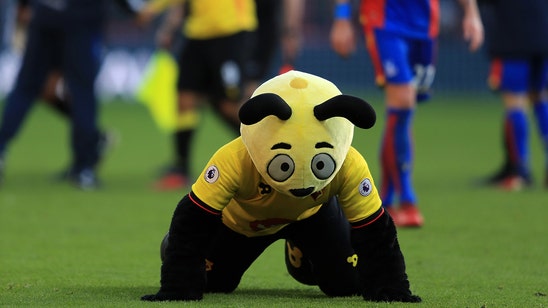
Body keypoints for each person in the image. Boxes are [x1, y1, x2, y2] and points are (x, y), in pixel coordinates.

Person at [141, 70, 421, 303]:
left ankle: (299, 249)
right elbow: (194, 216)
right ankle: (172, 246)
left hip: (312, 216)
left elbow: (374, 226)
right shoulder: (235, 158)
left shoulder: (349, 162)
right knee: (214, 283)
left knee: (345, 284)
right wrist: (179, 283)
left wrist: (391, 288)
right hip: (243, 225)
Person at [330, 0, 484, 227]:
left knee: (404, 113)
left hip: (425, 26)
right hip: (384, 20)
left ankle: (384, 202)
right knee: (403, 103)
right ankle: (408, 201)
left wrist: (472, 13)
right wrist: (342, 18)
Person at [136, 0, 258, 191]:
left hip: (230, 31)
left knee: (228, 104)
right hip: (197, 33)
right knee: (184, 99)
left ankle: (262, 151)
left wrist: (151, 9)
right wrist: (169, 27)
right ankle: (181, 168)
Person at [0, 0, 109, 190]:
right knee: (81, 91)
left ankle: (1, 146)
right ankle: (84, 168)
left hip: (46, 13)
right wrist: (133, 11)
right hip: (80, 18)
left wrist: (24, 6)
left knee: (25, 88)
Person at [480, 0, 548, 191]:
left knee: (515, 103)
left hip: (513, 39)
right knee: (540, 98)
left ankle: (520, 171)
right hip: (543, 34)